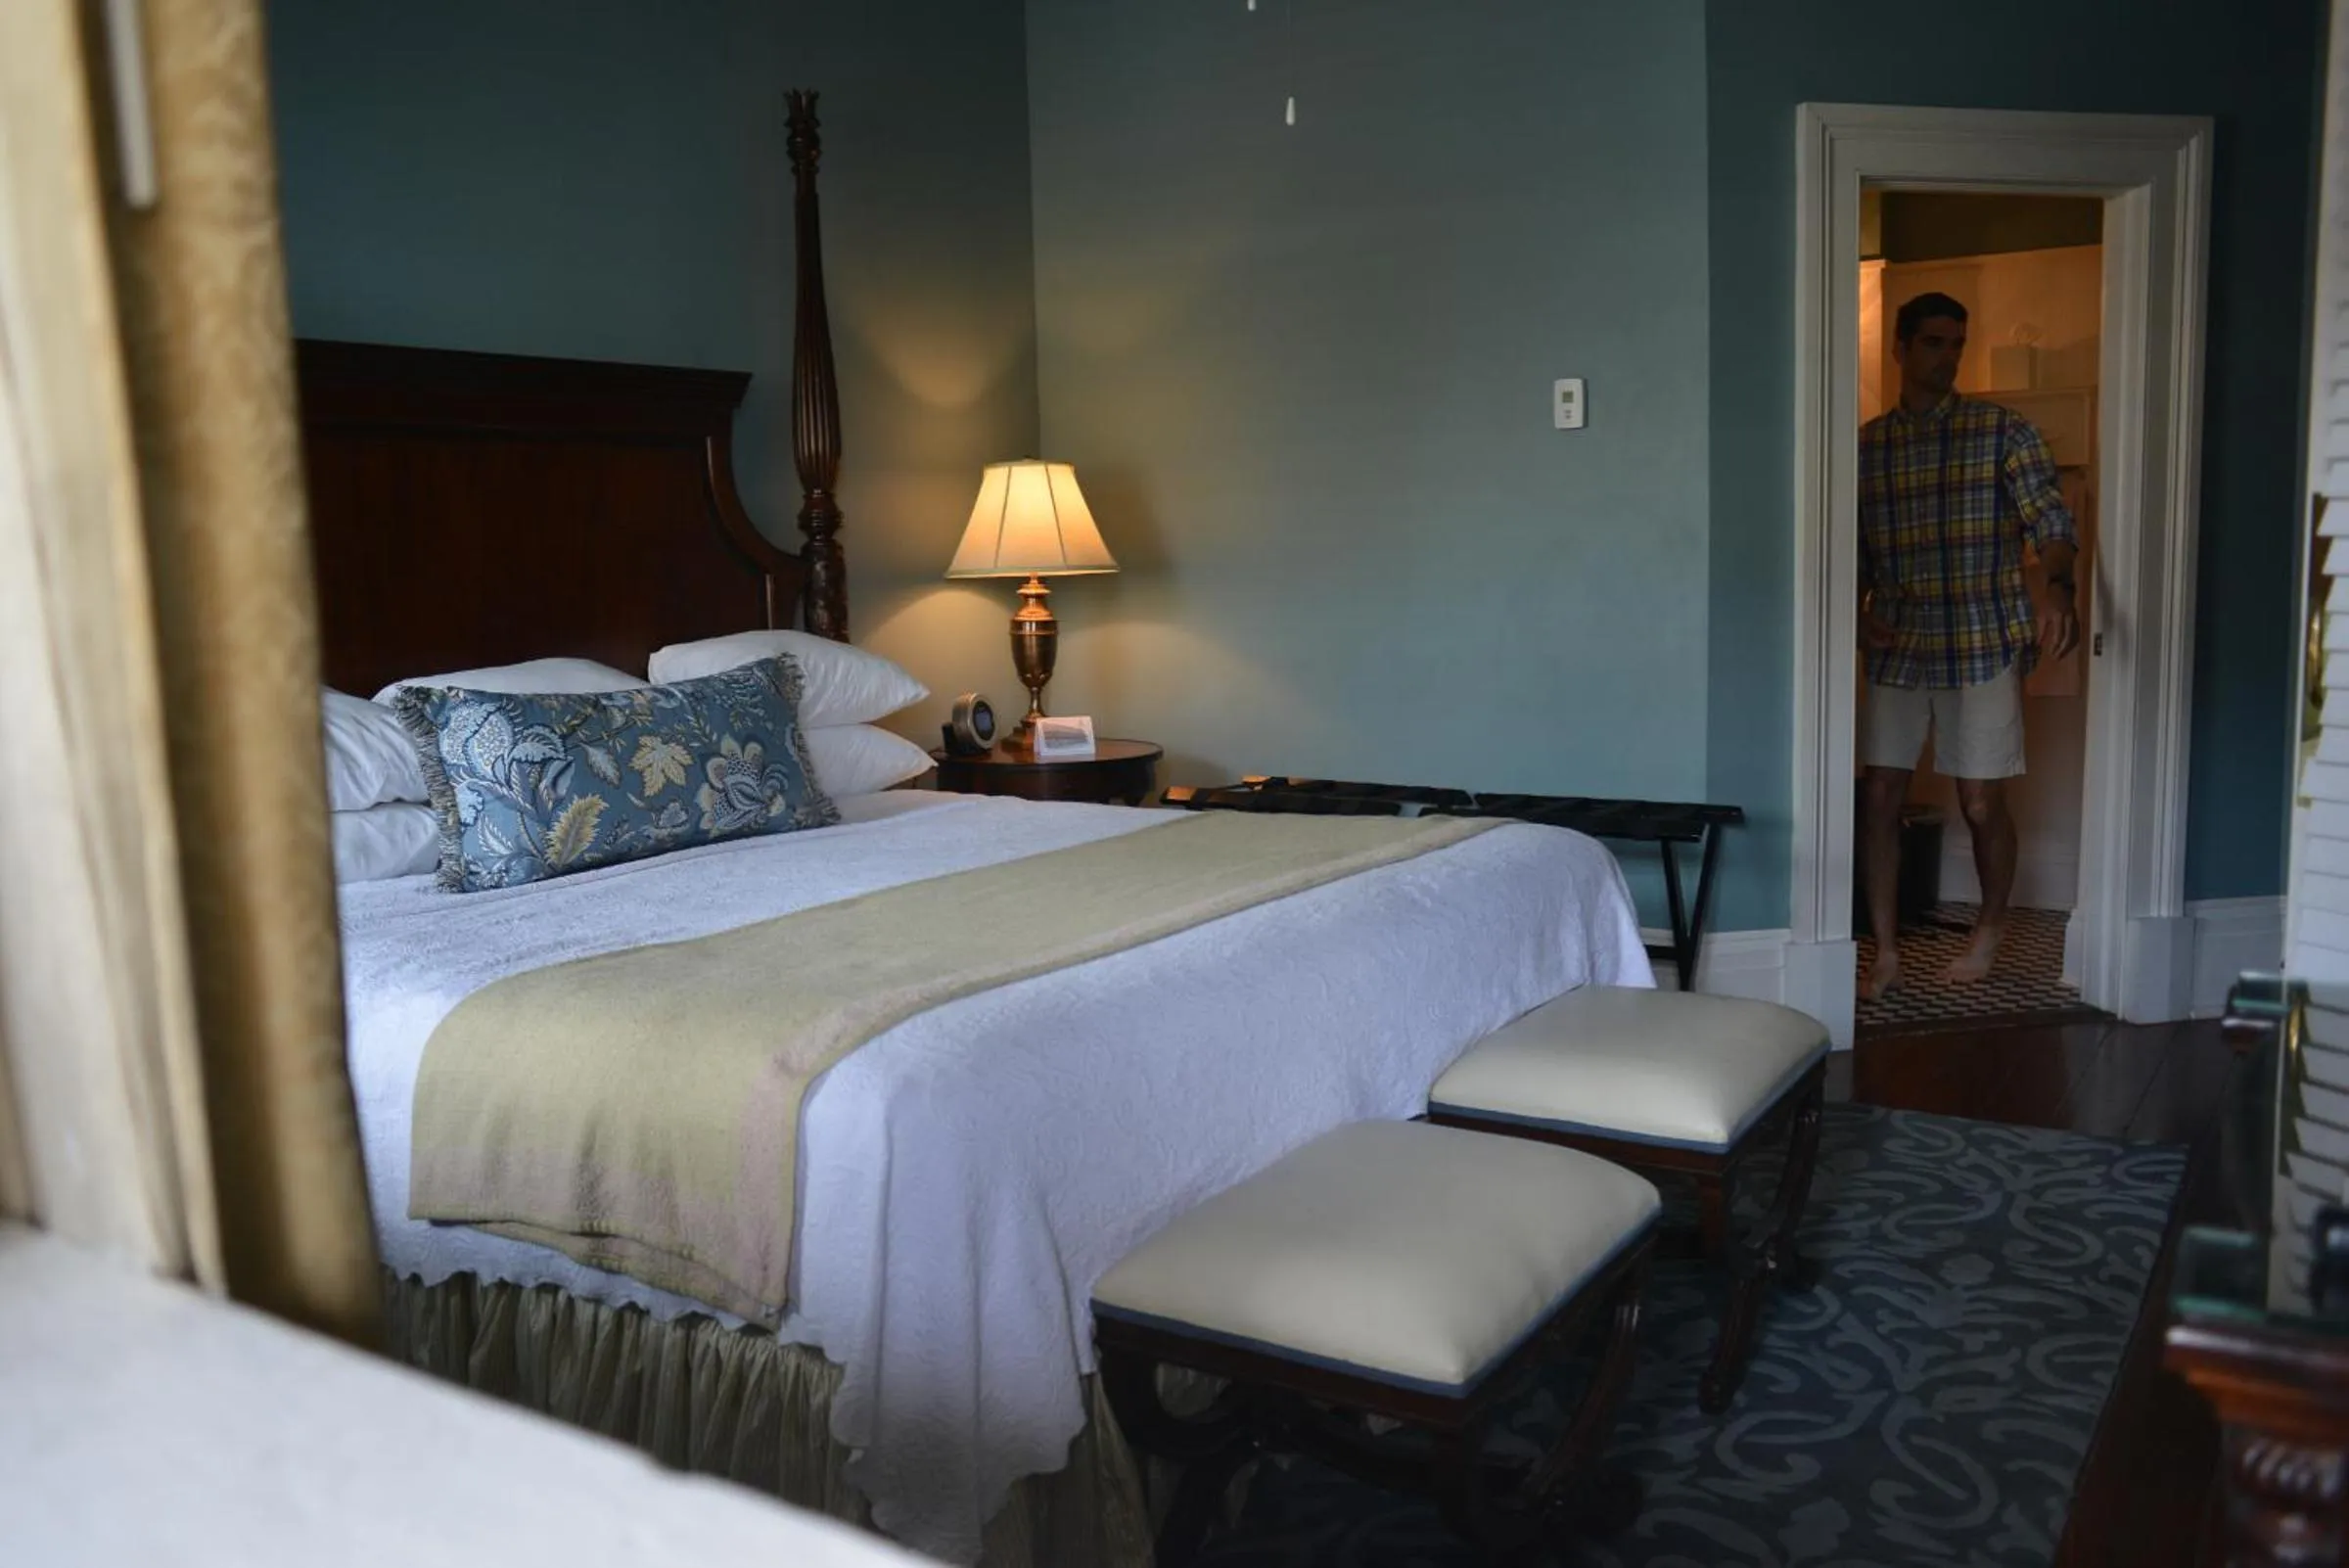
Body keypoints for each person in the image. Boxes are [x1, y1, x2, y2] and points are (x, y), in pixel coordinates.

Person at [1858, 292, 2079, 1000]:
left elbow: (2049, 518)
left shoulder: (2002, 432)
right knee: (1881, 795)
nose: (1947, 356)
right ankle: (1885, 950)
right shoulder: (1866, 447)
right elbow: (1850, 553)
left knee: (1980, 801)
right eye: (1932, 343)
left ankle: (1989, 928)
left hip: (1983, 640)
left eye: (1956, 342)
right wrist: (1853, 615)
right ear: (1900, 348)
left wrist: (2058, 587)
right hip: (1900, 641)